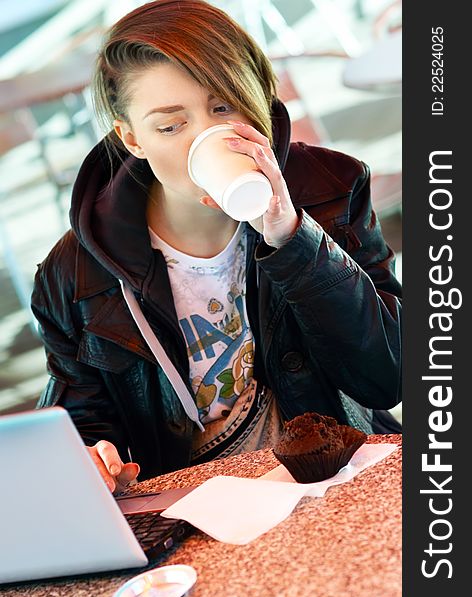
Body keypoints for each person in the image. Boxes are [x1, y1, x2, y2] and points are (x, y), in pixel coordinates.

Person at [32, 0, 402, 493]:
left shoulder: (332, 188)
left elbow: (387, 377)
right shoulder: (74, 275)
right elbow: (80, 429)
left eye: (223, 107)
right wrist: (92, 460)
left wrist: (292, 237)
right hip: (193, 510)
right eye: (170, 126)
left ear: (257, 100)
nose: (206, 135)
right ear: (133, 139)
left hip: (336, 478)